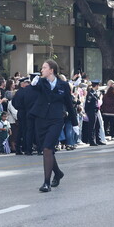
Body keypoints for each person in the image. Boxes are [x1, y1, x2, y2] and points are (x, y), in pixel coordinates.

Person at [30, 60, 78, 192]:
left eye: (44, 68)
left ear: (51, 70)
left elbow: (69, 104)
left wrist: (75, 123)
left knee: (47, 149)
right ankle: (57, 173)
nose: (42, 70)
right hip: (41, 119)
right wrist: (32, 83)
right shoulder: (40, 82)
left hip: (56, 120)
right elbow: (34, 89)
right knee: (48, 149)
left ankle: (46, 183)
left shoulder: (63, 85)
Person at [84, 81, 100, 146]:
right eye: (98, 85)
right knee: (92, 126)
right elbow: (88, 103)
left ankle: (98, 140)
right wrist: (87, 111)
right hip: (91, 111)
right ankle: (92, 141)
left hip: (95, 111)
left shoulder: (94, 93)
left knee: (97, 125)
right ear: (96, 86)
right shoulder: (90, 93)